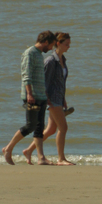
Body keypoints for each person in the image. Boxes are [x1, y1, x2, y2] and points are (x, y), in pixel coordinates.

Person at [2, 31, 56, 165]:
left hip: (41, 95)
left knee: (39, 127)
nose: (51, 49)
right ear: (45, 42)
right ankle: (8, 149)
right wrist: (29, 94)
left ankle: (41, 158)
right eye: (51, 45)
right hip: (32, 96)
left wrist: (46, 95)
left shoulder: (38, 54)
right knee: (30, 125)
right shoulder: (29, 53)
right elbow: (26, 75)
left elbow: (40, 78)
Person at [24, 32, 74, 166]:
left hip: (58, 98)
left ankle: (28, 151)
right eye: (66, 44)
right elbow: (44, 82)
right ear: (58, 44)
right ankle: (61, 159)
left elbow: (61, 82)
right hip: (51, 99)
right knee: (63, 128)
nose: (69, 47)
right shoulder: (51, 61)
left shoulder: (63, 60)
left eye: (69, 44)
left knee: (51, 130)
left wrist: (63, 97)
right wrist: (48, 100)